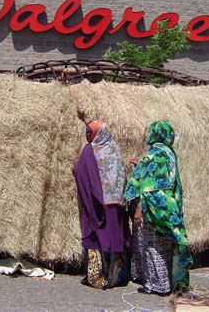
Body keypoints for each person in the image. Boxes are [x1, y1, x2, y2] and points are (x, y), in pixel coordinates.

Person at [126, 120, 192, 295]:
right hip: (168, 208)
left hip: (152, 209)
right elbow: (161, 178)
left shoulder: (154, 155)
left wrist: (139, 209)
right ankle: (170, 282)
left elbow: (148, 187)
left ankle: (157, 285)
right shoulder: (169, 153)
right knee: (166, 246)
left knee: (150, 244)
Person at [73, 110, 130, 289]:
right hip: (116, 206)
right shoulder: (113, 149)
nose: (87, 135)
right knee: (115, 236)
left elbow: (81, 172)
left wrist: (74, 170)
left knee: (97, 237)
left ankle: (98, 277)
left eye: (89, 133)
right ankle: (116, 277)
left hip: (98, 205)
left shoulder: (90, 150)